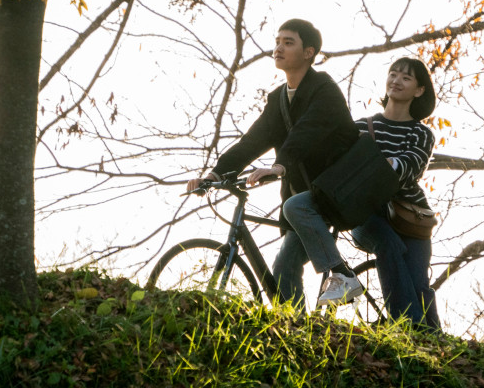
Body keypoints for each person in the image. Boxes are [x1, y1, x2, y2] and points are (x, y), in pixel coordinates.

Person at [185, 19, 364, 308]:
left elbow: (306, 132)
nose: (278, 48)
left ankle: (343, 276)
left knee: (285, 265)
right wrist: (215, 174)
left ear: (308, 52)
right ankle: (295, 328)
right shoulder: (279, 98)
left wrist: (279, 166)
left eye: (288, 42)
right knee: (285, 268)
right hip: (303, 199)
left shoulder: (324, 90)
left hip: (335, 191)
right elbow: (252, 141)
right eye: (277, 41)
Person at [350, 57, 441, 329]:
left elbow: (410, 167)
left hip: (410, 216)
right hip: (366, 214)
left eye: (406, 77)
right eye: (393, 73)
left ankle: (435, 344)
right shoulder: (361, 127)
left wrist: (377, 165)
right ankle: (411, 332)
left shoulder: (421, 133)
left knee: (419, 284)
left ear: (419, 90)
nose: (396, 80)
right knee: (388, 245)